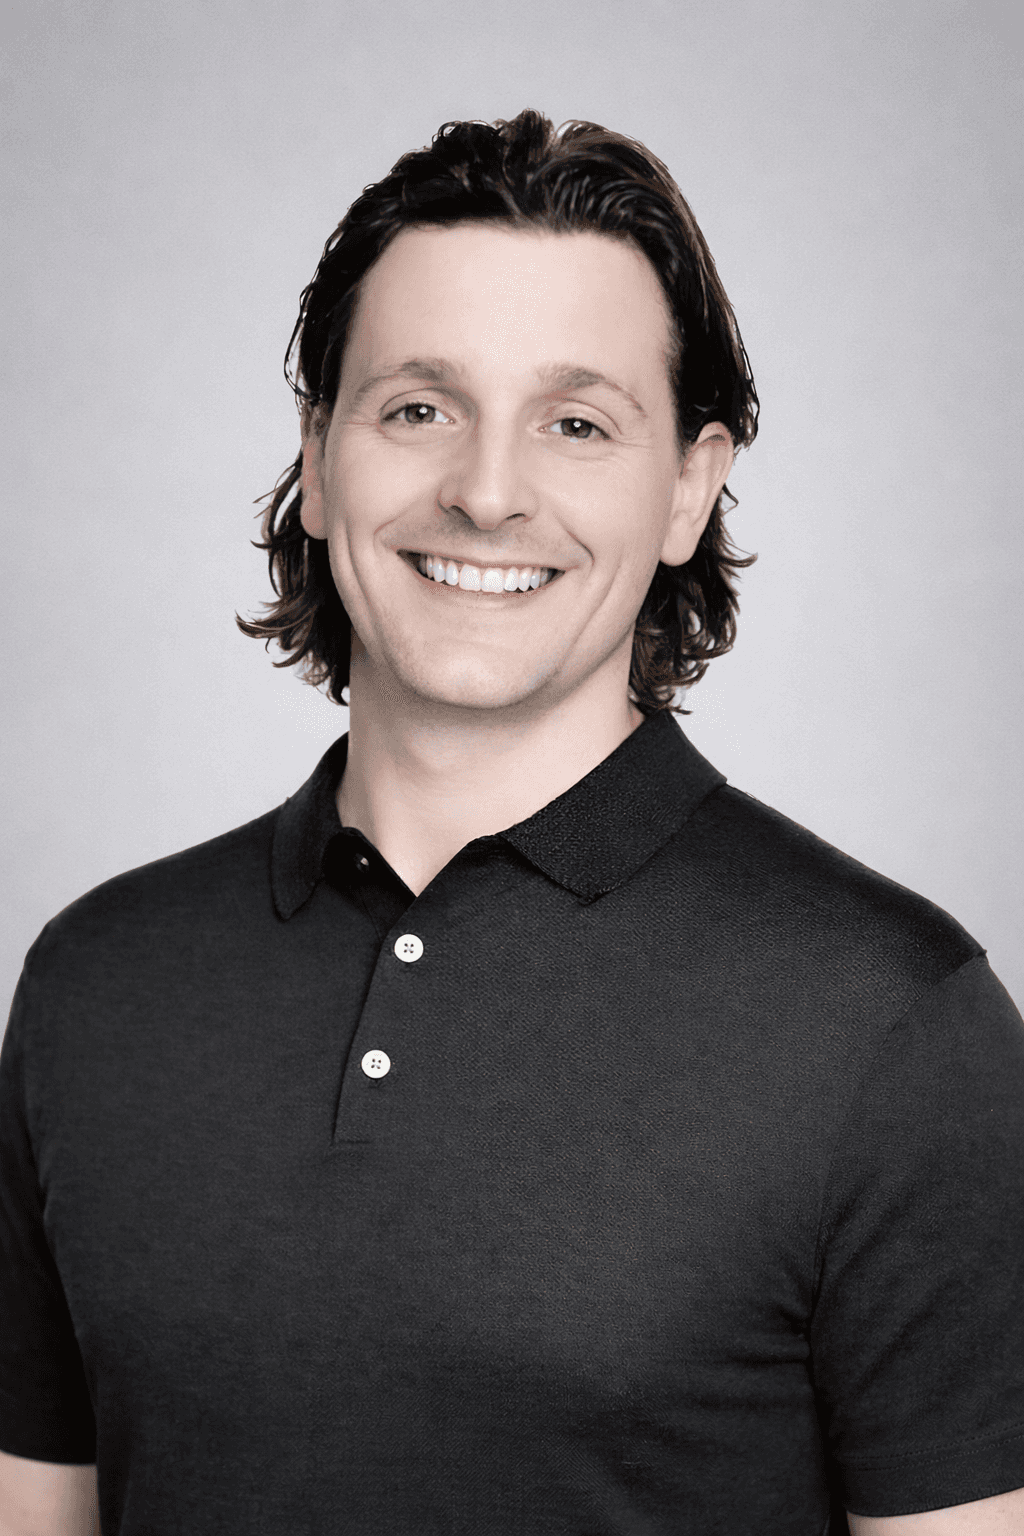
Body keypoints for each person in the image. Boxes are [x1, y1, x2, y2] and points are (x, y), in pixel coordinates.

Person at [1, 110, 1021, 1536]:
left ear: (689, 486)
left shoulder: (898, 1028)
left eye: (578, 423)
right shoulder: (91, 988)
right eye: (417, 407)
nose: (484, 491)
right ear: (317, 452)